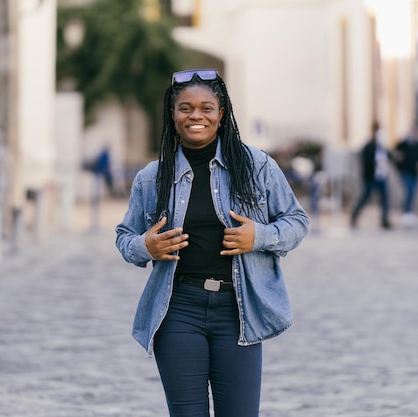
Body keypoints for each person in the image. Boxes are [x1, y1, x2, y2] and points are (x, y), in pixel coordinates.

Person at [115, 68, 309, 417]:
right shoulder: (151, 178)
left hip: (238, 310)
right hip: (179, 310)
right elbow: (124, 237)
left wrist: (258, 237)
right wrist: (146, 247)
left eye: (206, 107)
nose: (196, 116)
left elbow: (297, 222)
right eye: (185, 108)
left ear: (222, 114)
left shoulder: (256, 166)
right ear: (172, 115)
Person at [350, 120, 392, 229]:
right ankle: (354, 215)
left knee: (385, 197)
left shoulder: (381, 146)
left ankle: (385, 220)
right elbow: (365, 160)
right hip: (370, 177)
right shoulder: (368, 146)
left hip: (381, 176)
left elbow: (388, 157)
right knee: (366, 197)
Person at [394, 125, 418, 226]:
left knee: (412, 192)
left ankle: (409, 211)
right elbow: (396, 155)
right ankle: (406, 211)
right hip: (405, 172)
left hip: (414, 173)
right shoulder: (403, 144)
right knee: (409, 190)